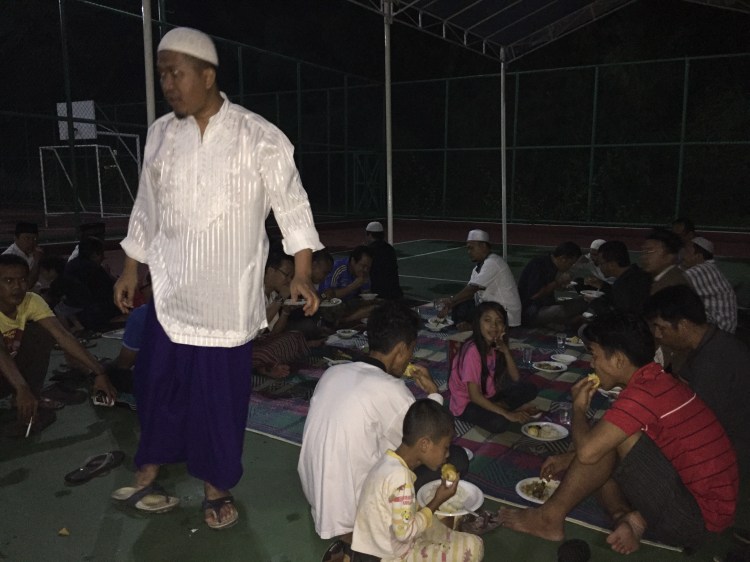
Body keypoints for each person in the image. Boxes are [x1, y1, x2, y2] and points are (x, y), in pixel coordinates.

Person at [111, 27, 322, 530]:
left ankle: (215, 485)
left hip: (227, 303)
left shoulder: (259, 136)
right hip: (171, 294)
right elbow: (146, 207)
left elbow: (292, 206)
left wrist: (302, 273)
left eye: (176, 73)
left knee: (218, 402)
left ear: (208, 75)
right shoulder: (160, 134)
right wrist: (131, 267)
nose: (168, 84)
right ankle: (149, 468)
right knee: (156, 385)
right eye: (162, 74)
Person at [500, 312, 738, 554]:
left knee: (603, 443)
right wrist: (567, 459)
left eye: (595, 355)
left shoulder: (644, 394)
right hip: (696, 502)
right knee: (608, 439)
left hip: (697, 522)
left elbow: (588, 452)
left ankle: (549, 519)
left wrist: (578, 409)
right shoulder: (656, 381)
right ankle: (625, 518)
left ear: (619, 360)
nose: (592, 364)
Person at [298, 301, 468, 548]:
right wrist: (434, 393)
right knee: (457, 458)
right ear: (401, 350)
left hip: (316, 498)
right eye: (411, 350)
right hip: (357, 515)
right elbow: (428, 438)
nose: (410, 358)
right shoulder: (391, 389)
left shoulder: (332, 373)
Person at [351, 399, 484, 562]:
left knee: (436, 520)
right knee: (474, 546)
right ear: (424, 444)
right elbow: (404, 534)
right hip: (388, 556)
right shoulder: (401, 479)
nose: (448, 454)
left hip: (373, 547)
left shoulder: (387, 462)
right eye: (445, 447)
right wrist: (437, 500)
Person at [0, 255, 116, 435]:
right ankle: (23, 394)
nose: (17, 287)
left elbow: (62, 335)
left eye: (22, 280)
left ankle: (28, 398)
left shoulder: (31, 301)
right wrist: (22, 387)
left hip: (7, 371)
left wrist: (98, 372)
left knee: (41, 332)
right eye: (8, 281)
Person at [644, 285, 749, 472]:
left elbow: (695, 423)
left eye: (661, 328)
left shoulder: (713, 361)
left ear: (683, 325)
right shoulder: (710, 340)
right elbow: (681, 384)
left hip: (730, 449)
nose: (658, 335)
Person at [448, 301, 537, 433]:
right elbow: (474, 396)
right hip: (467, 403)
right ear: (478, 323)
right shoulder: (472, 351)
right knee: (499, 423)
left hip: (488, 396)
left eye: (499, 321)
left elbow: (516, 378)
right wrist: (507, 414)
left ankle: (498, 407)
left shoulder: (493, 345)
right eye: (487, 320)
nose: (493, 326)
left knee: (530, 388)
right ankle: (502, 409)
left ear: (504, 327)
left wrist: (506, 351)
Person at [438, 229, 522, 328]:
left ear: (483, 246)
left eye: (472, 248)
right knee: (461, 306)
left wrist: (451, 300)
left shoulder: (493, 262)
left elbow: (472, 288)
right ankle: (467, 325)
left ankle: (471, 327)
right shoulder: (478, 268)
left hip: (506, 314)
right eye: (468, 249)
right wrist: (450, 305)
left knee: (466, 310)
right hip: (490, 309)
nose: (469, 252)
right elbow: (469, 294)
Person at [517, 241, 586, 328]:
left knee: (584, 302)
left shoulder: (553, 265)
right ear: (563, 258)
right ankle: (567, 322)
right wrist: (558, 282)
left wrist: (561, 286)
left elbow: (550, 287)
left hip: (547, 305)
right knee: (559, 310)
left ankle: (565, 321)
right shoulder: (538, 265)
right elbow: (534, 295)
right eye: (570, 264)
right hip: (531, 311)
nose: (570, 267)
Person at [63, 236, 122, 331]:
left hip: (74, 311)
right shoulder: (95, 269)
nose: (103, 257)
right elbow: (110, 290)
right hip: (95, 314)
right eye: (102, 254)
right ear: (95, 254)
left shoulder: (70, 265)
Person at [681, 236, 737, 333]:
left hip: (718, 330)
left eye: (687, 252)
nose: (683, 256)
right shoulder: (710, 268)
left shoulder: (702, 270)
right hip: (721, 328)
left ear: (699, 256)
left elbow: (673, 281)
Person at [587, 241, 651, 317]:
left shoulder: (624, 284)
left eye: (600, 263)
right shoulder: (638, 274)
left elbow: (619, 316)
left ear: (611, 265)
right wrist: (603, 285)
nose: (599, 267)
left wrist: (594, 303)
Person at [640, 228, 689, 295]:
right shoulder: (659, 279)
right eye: (644, 251)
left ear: (670, 256)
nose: (644, 256)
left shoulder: (672, 286)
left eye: (650, 251)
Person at [365, 221, 403, 300]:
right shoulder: (390, 249)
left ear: (370, 235)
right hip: (394, 291)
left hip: (378, 293)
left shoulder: (368, 251)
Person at [2, 222, 43, 288]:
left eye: (34, 239)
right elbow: (27, 285)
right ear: (16, 238)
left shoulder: (36, 252)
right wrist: (37, 261)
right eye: (27, 238)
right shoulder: (9, 257)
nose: (31, 242)